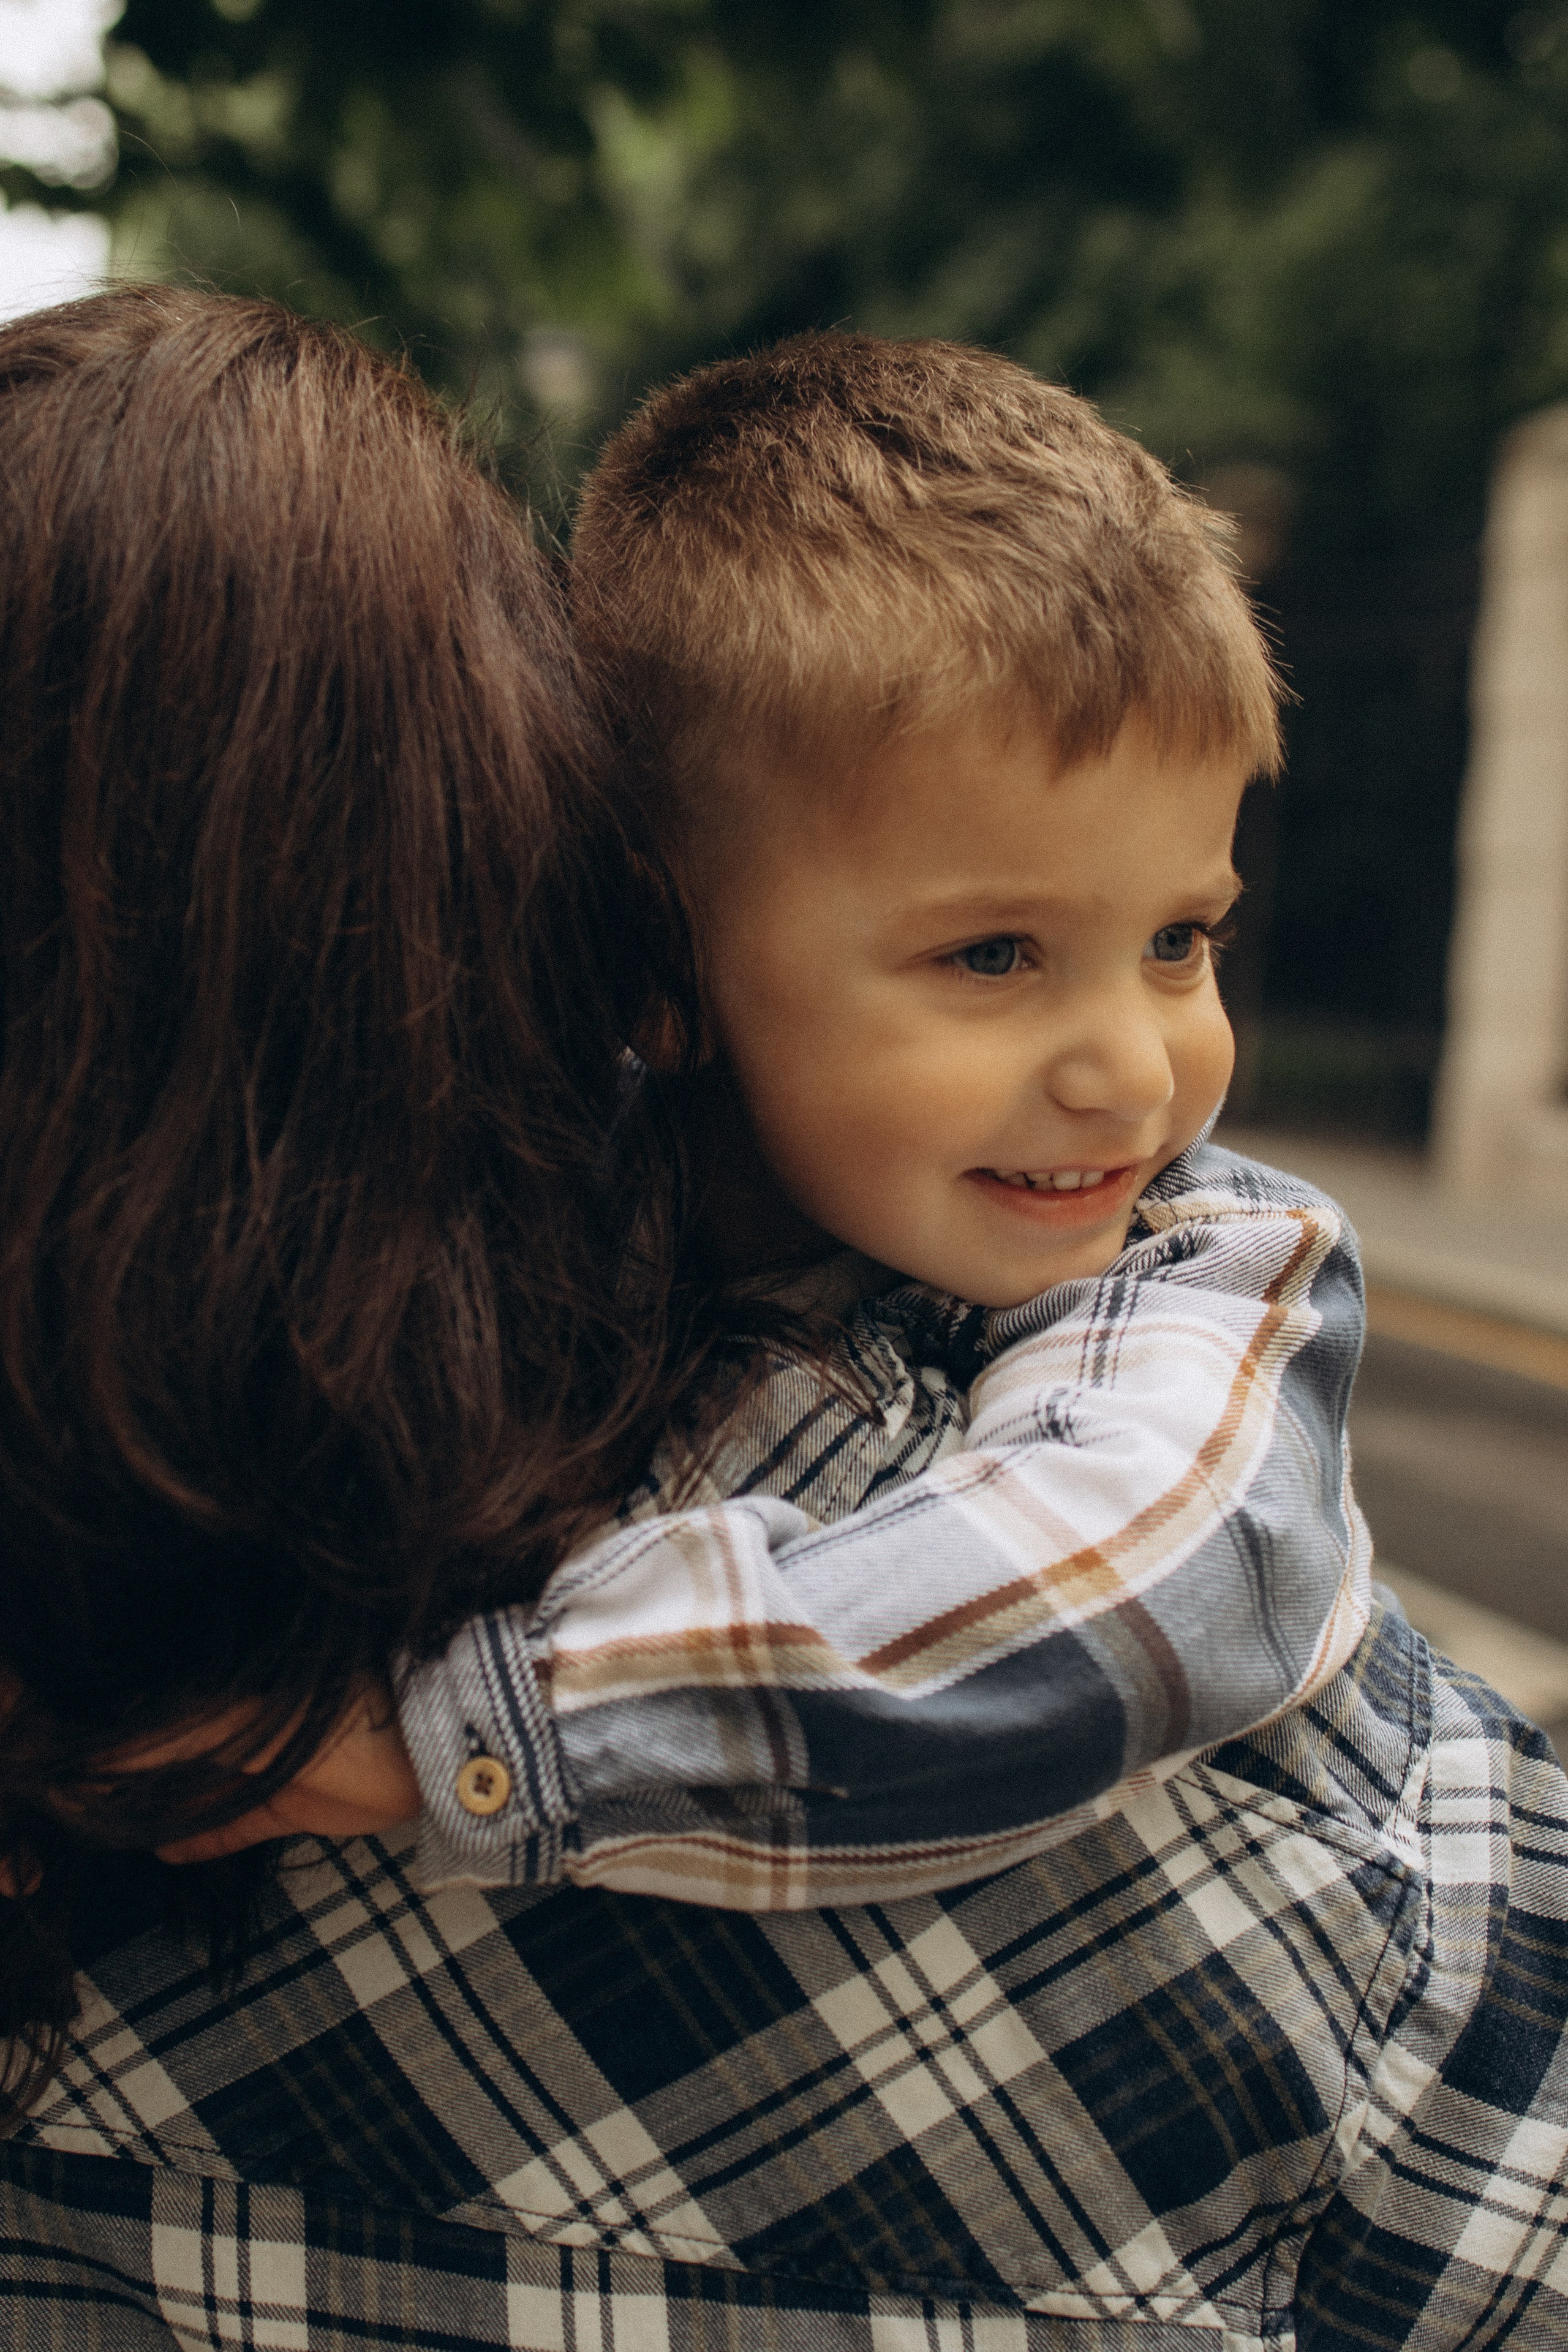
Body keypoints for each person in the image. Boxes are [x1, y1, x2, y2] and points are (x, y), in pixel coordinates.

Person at [1, 314, 1565, 2347]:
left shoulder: (1208, 1254)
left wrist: (473, 1731)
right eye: (992, 953)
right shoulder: (600, 1294)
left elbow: (1142, 1590)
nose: (1135, 1069)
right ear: (656, 961)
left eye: (1185, 939)